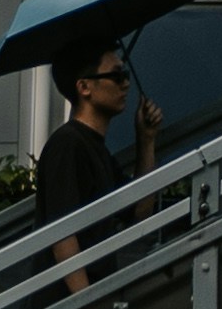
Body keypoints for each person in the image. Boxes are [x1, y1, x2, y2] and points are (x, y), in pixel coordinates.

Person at [32, 45, 158, 289]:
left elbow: (139, 211)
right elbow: (63, 234)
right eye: (116, 75)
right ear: (85, 87)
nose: (125, 84)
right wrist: (87, 305)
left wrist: (147, 140)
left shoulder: (95, 147)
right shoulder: (68, 144)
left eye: (126, 76)